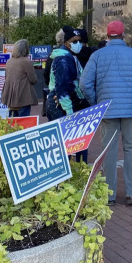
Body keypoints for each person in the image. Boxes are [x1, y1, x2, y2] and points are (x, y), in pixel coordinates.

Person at [81, 20, 132, 206]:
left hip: (107, 110)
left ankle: (109, 195)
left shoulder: (97, 56)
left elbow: (84, 84)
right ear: (123, 35)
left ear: (107, 35)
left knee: (109, 151)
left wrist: (97, 103)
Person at [47, 26, 90, 162]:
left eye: (79, 40)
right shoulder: (63, 59)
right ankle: (70, 176)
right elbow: (62, 87)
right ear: (66, 43)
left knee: (75, 143)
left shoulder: (71, 56)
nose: (78, 44)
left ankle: (75, 172)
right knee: (66, 145)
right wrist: (70, 112)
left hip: (68, 103)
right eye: (74, 41)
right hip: (62, 105)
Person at [1, 39, 38, 117]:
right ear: (26, 49)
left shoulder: (9, 61)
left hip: (11, 98)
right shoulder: (26, 61)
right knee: (24, 123)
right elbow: (33, 80)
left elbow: (6, 77)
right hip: (23, 97)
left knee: (12, 124)